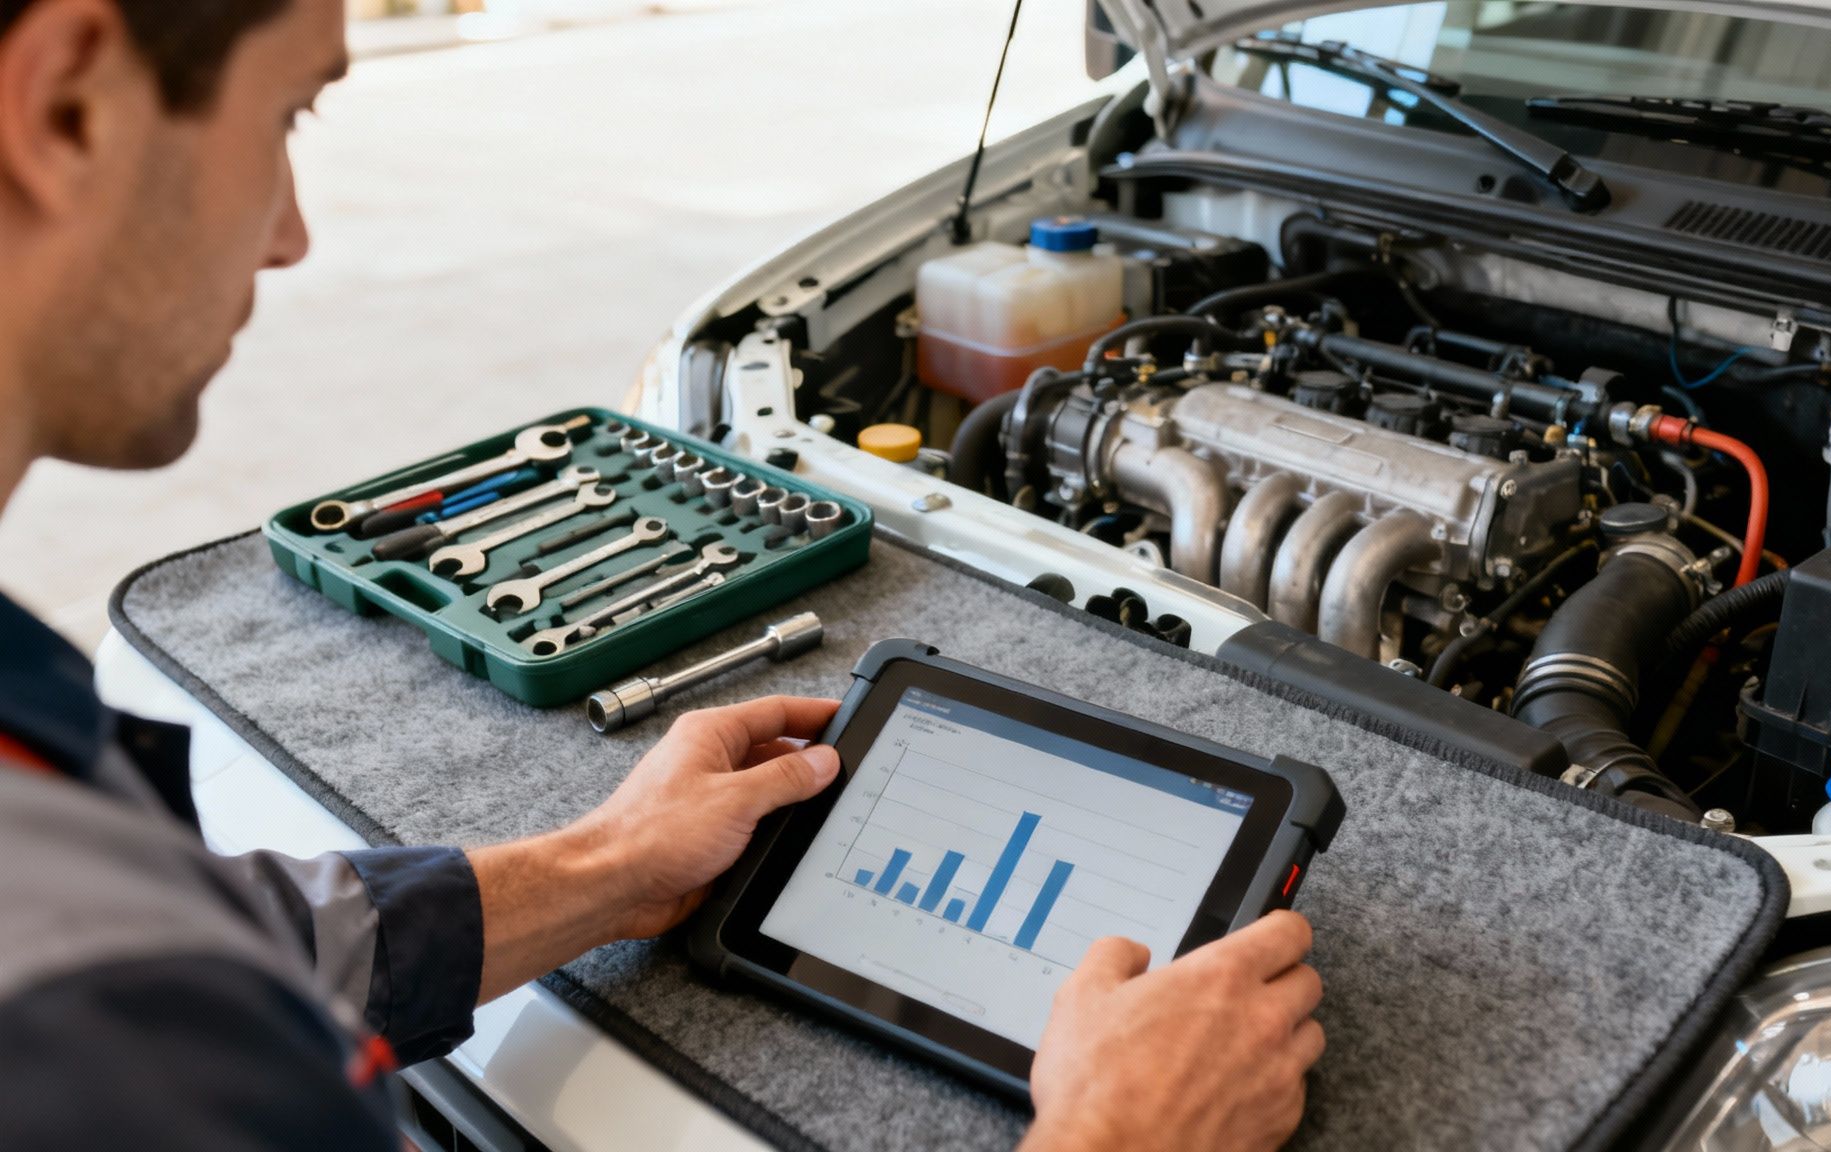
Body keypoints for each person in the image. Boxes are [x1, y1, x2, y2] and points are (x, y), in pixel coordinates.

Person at [0, 0, 1329, 1148]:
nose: (290, 236)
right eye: (293, 114)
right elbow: (154, 990)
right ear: (63, 107)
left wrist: (603, 871)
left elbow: (228, 949)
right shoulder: (101, 1041)